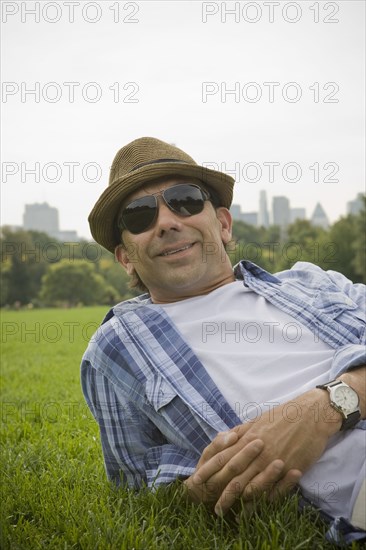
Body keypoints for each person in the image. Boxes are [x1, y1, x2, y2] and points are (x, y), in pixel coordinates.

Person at [81, 137, 366, 544]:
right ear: (126, 257)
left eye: (184, 200)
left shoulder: (313, 281)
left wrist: (329, 406)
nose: (166, 222)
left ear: (224, 224)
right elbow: (138, 483)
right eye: (139, 215)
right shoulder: (119, 348)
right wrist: (194, 491)